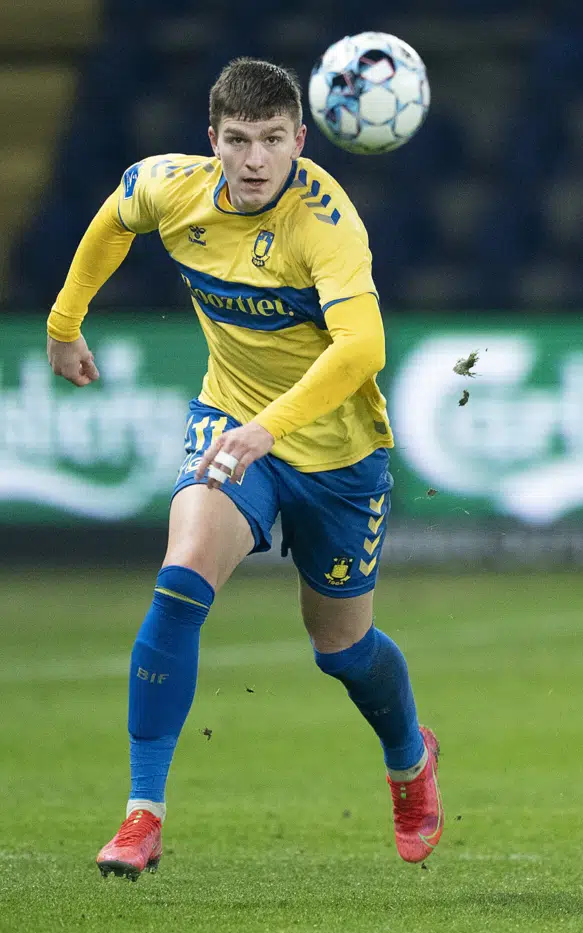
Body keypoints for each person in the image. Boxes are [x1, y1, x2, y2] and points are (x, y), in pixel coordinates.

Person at [45, 58, 444, 879]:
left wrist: (272, 426)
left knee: (340, 645)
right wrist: (63, 320)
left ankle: (410, 758)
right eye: (237, 140)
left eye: (272, 140)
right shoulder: (173, 187)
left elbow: (363, 346)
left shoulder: (325, 222)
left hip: (336, 455)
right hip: (230, 423)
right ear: (212, 143)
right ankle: (141, 815)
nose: (256, 159)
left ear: (300, 139)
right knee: (182, 572)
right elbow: (114, 218)